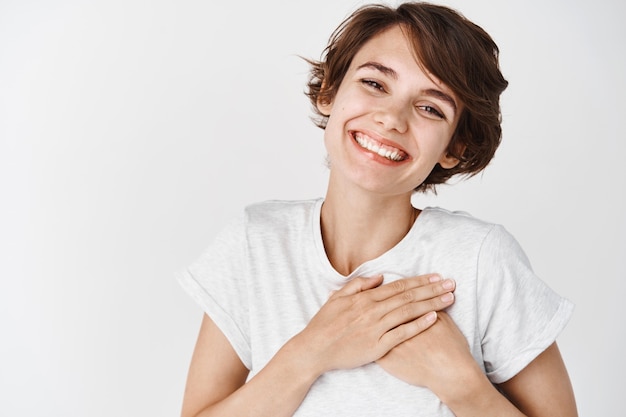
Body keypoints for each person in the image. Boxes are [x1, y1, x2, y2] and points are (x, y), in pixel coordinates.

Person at [177, 2, 578, 416]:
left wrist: (461, 384)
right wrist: (311, 351)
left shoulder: (482, 260)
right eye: (375, 84)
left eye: (430, 108)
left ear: (454, 148)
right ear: (329, 91)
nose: (391, 118)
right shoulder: (254, 242)